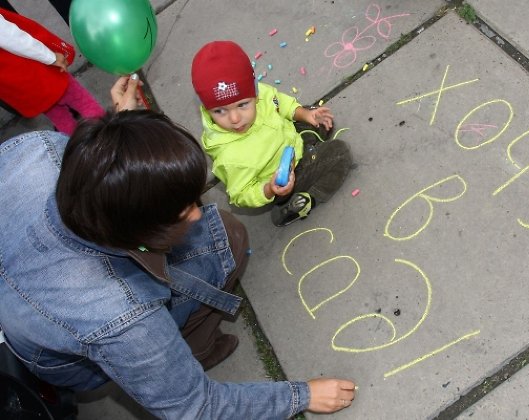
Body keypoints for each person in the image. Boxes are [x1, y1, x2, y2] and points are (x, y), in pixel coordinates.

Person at [0, 75, 356, 418]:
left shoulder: (34, 150)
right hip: (73, 359)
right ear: (140, 237)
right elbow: (197, 408)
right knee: (225, 238)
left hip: (30, 304)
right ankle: (194, 347)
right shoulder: (125, 320)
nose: (196, 214)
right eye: (182, 210)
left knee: (213, 234)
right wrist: (303, 395)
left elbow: (98, 174)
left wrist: (128, 135)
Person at [191, 40, 352, 227]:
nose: (235, 118)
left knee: (313, 115)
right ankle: (303, 200)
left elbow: (278, 102)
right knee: (340, 153)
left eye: (242, 105)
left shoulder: (258, 93)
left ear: (255, 92)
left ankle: (311, 145)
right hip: (285, 180)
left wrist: (304, 114)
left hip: (288, 140)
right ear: (207, 108)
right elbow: (241, 194)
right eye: (220, 111)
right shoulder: (230, 158)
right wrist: (269, 189)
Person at [0, 8, 104, 135]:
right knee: (83, 102)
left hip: (15, 86)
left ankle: (81, 147)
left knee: (59, 118)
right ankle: (108, 138)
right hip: (34, 71)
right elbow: (13, 38)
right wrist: (51, 57)